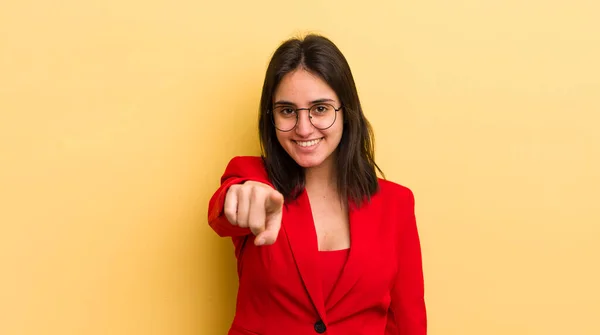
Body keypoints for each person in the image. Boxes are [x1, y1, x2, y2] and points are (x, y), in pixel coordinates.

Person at [207, 34, 426, 335]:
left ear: (346, 112)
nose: (304, 127)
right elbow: (223, 212)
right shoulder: (252, 177)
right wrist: (241, 195)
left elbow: (407, 323)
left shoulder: (396, 203)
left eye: (320, 109)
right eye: (287, 111)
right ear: (271, 117)